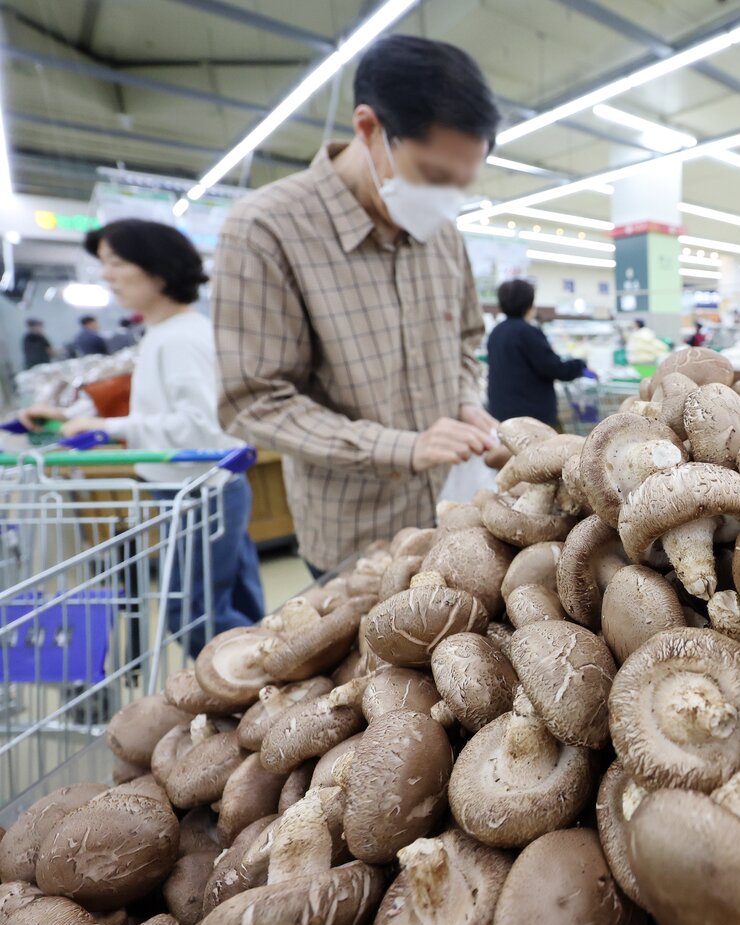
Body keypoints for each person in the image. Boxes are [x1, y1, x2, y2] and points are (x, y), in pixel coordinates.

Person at [215, 35, 502, 577]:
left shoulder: (442, 233)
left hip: (456, 522)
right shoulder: (265, 231)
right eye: (435, 176)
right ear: (369, 129)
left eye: (462, 184)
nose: (446, 199)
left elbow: (465, 341)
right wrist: (400, 446)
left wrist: (464, 399)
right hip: (356, 542)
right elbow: (253, 402)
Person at [21, 219, 263, 654]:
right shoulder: (164, 333)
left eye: (116, 262)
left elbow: (203, 426)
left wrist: (110, 427)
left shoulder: (180, 339)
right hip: (198, 489)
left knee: (192, 616)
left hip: (200, 492)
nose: (106, 274)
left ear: (158, 269)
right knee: (234, 607)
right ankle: (268, 690)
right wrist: (69, 416)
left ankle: (249, 688)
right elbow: (158, 407)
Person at [486, 279, 591, 425]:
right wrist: (580, 364)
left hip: (502, 413)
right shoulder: (527, 332)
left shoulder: (496, 332)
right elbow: (553, 368)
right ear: (528, 304)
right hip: (530, 416)